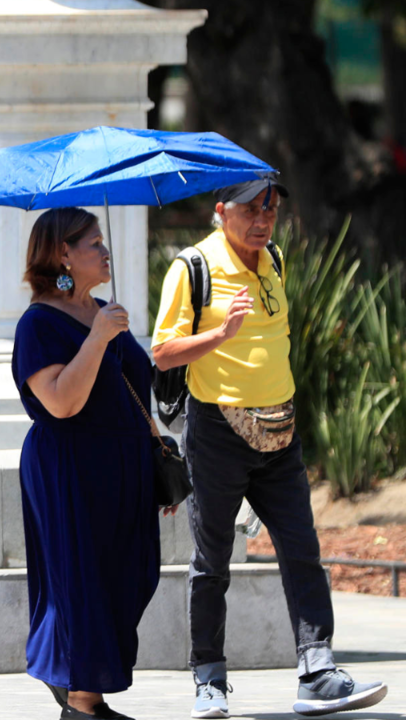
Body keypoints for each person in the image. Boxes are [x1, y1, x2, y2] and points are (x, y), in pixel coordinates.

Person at [152, 180, 389, 718]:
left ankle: (318, 672)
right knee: (212, 560)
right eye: (250, 208)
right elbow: (163, 354)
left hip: (280, 431)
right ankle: (209, 678)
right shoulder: (192, 268)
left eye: (271, 208)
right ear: (220, 212)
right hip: (216, 433)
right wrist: (220, 333)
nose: (263, 219)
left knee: (302, 548)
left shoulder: (273, 258)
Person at [11, 207, 160, 720]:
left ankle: (80, 688)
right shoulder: (39, 323)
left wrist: (156, 466)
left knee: (130, 576)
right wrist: (97, 338)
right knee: (82, 578)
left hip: (125, 466)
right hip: (70, 467)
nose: (105, 250)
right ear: (63, 255)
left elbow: (135, 391)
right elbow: (61, 402)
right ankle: (81, 699)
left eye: (102, 241)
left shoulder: (102, 309)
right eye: (93, 243)